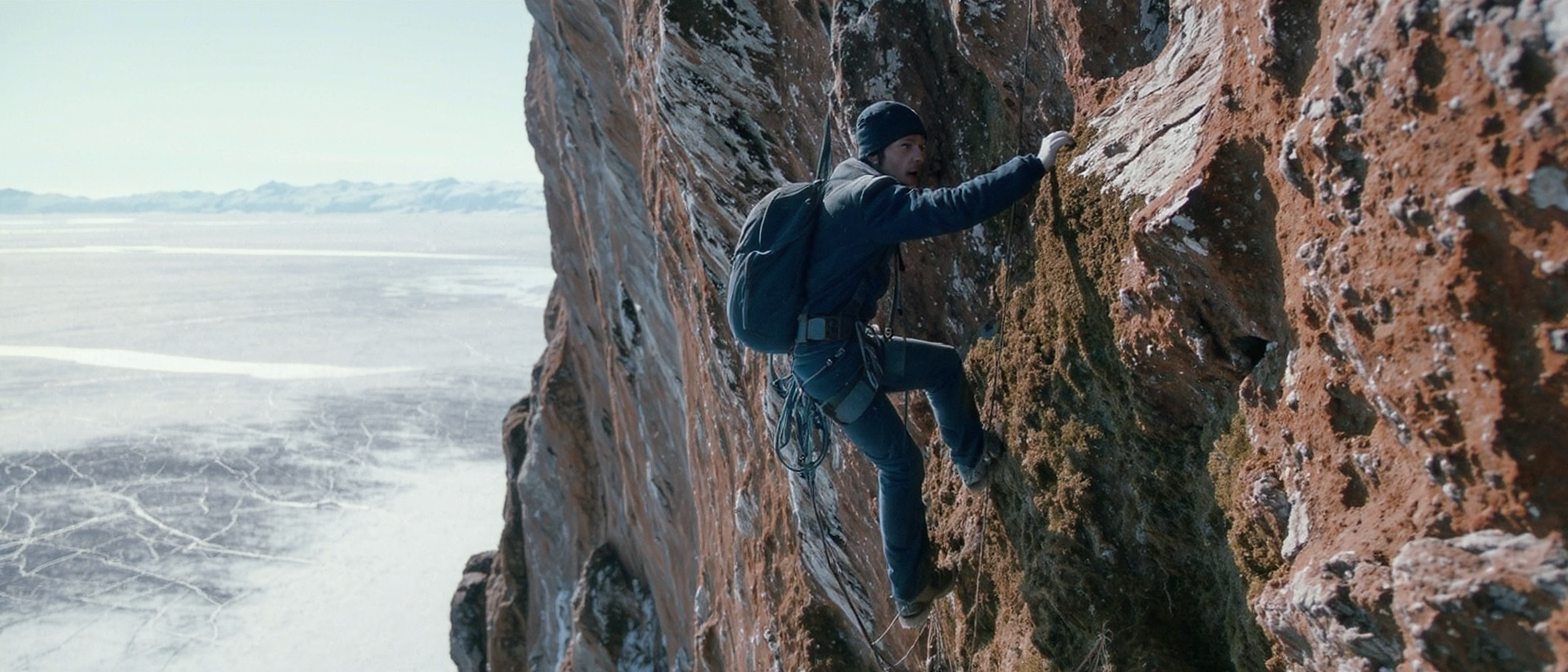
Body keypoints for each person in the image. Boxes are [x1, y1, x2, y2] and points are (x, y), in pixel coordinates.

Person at [792, 100, 1073, 628]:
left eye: (921, 145)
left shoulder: (846, 183)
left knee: (942, 366)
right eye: (906, 147)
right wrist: (1031, 166)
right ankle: (912, 592)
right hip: (832, 361)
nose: (919, 155)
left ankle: (974, 462)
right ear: (877, 152)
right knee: (900, 463)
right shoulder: (867, 197)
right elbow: (948, 208)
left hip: (841, 347)